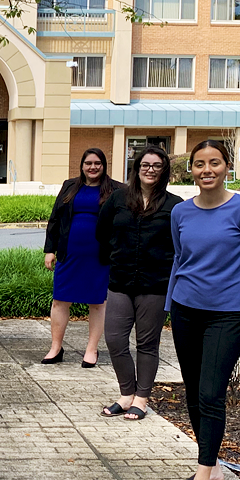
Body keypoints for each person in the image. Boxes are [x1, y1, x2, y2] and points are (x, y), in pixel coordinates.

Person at [166, 139, 240, 480]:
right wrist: (170, 304)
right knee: (193, 393)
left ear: (227, 166)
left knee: (211, 393)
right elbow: (181, 258)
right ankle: (209, 467)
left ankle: (202, 478)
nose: (206, 170)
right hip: (184, 310)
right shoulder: (181, 212)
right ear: (190, 170)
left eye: (214, 162)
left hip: (227, 314)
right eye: (199, 164)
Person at [96, 145, 181, 420]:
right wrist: (114, 256)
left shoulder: (174, 205)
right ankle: (125, 393)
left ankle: (141, 398)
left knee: (147, 343)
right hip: (120, 281)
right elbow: (102, 231)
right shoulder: (118, 199)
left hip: (155, 285)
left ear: (164, 170)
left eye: (157, 166)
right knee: (115, 340)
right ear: (137, 168)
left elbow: (181, 245)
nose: (150, 170)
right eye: (146, 165)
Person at [42, 148, 122, 366]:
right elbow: (55, 218)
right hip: (69, 253)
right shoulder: (70, 185)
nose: (93, 167)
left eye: (97, 163)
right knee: (60, 300)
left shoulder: (117, 189)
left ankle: (91, 349)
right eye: (88, 163)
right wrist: (50, 249)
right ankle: (56, 347)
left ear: (104, 165)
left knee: (97, 302)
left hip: (99, 256)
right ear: (82, 165)